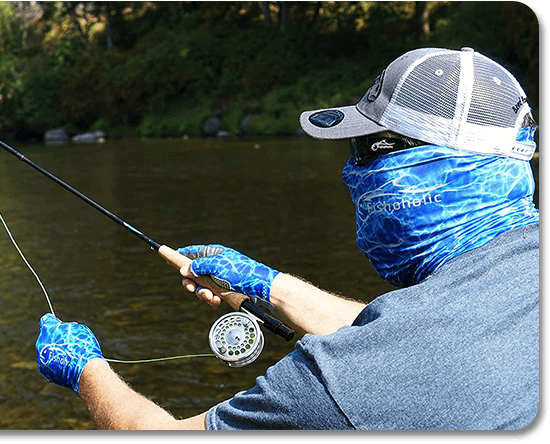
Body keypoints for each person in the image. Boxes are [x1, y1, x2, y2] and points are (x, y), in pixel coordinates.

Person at [35, 47, 539, 430]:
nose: (350, 172)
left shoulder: (346, 386)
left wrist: (86, 369)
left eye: (366, 151)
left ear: (429, 174)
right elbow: (412, 335)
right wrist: (267, 285)